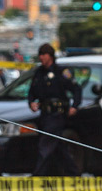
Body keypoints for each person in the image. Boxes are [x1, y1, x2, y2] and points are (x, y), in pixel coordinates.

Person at [27, 43, 82, 176]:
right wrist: (31, 103)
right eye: (39, 55)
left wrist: (75, 106)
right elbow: (31, 92)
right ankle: (74, 173)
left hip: (57, 114)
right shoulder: (39, 73)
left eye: (43, 55)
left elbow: (76, 89)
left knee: (45, 144)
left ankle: (38, 176)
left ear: (50, 56)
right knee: (58, 147)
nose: (41, 57)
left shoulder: (62, 72)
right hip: (44, 114)